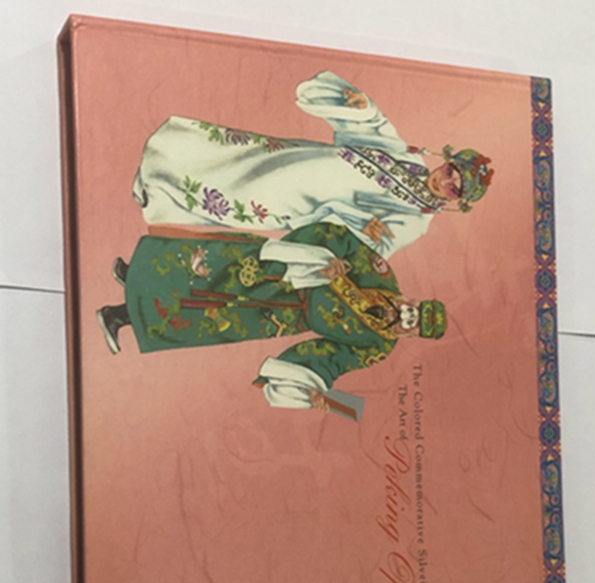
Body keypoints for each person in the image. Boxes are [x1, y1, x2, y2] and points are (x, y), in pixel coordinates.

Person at [133, 71, 493, 261]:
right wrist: (363, 107)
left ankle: (160, 193)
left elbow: (374, 248)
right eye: (450, 171)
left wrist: (362, 224)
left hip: (306, 199)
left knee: (239, 193)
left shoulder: (416, 221)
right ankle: (162, 163)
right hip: (304, 159)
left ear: (456, 200)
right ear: (446, 161)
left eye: (454, 188)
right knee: (240, 161)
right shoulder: (411, 158)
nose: (445, 181)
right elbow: (376, 130)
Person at [97, 223, 446, 413]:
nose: (405, 317)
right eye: (412, 310)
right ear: (412, 300)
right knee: (215, 265)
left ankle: (119, 315)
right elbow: (344, 241)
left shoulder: (378, 346)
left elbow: (334, 358)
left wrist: (313, 385)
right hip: (286, 273)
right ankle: (137, 273)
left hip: (279, 316)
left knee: (209, 313)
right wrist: (331, 260)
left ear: (412, 335)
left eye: (412, 324)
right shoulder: (383, 276)